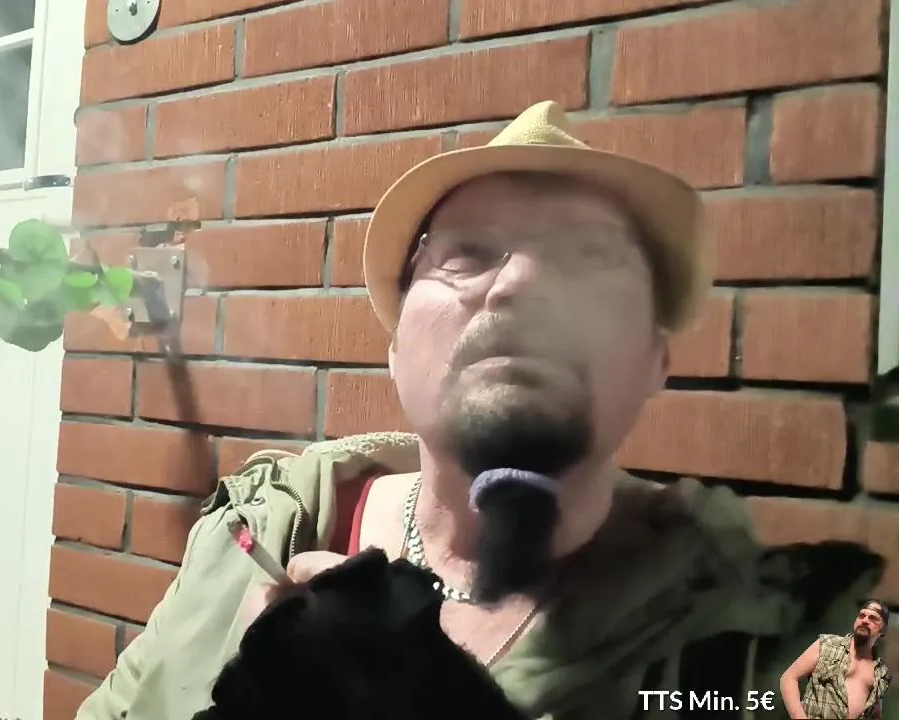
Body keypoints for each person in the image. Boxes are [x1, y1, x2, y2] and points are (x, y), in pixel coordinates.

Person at [74, 101, 887, 720]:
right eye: (466, 252)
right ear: (395, 349)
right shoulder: (254, 534)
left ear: (654, 361)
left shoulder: (791, 641)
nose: (521, 286)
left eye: (587, 258)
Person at [780, 600, 892, 719]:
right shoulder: (828, 644)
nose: (865, 620)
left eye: (873, 618)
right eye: (861, 615)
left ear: (883, 630)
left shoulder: (880, 671)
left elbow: (875, 713)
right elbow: (788, 678)